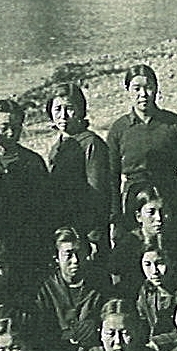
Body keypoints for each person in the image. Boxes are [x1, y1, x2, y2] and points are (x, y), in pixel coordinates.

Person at [106, 65, 177, 239]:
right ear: (127, 90)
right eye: (136, 88)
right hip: (135, 200)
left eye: (148, 88)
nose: (143, 94)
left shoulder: (173, 124)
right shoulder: (119, 129)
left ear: (156, 89)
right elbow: (112, 177)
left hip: (171, 198)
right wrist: (116, 218)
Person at [0, 98, 54, 286]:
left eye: (16, 127)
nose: (11, 133)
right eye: (4, 127)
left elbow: (46, 211)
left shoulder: (32, 163)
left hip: (26, 251)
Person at [33, 226, 117, 351]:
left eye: (79, 253)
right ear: (56, 258)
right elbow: (40, 332)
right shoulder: (44, 289)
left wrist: (96, 325)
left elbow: (112, 314)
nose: (75, 260)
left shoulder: (100, 282)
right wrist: (69, 334)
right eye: (68, 254)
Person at [44, 83, 114, 247]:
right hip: (64, 226)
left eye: (69, 108)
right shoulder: (56, 147)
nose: (63, 115)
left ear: (80, 110)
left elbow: (97, 193)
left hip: (87, 228)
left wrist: (94, 234)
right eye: (57, 109)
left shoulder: (91, 143)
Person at [112, 184, 177, 293]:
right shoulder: (129, 245)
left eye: (164, 211)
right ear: (139, 216)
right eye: (151, 212)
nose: (159, 218)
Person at [135, 242, 177, 351]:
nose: (154, 271)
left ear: (172, 262)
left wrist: (160, 340)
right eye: (147, 264)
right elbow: (142, 321)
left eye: (160, 263)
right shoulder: (146, 291)